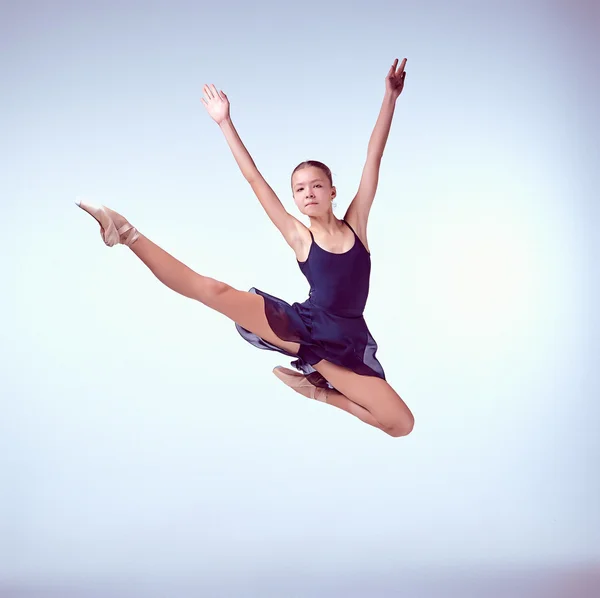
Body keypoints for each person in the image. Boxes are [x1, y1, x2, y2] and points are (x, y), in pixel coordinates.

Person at [76, 58, 414, 437]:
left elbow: (374, 158)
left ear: (332, 191)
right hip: (303, 326)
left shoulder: (357, 225)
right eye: (300, 189)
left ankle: (318, 391)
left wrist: (389, 98)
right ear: (295, 199)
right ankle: (125, 231)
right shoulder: (300, 236)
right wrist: (224, 123)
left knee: (401, 424)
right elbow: (254, 179)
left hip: (348, 338)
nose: (308, 193)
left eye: (316, 186)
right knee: (213, 291)